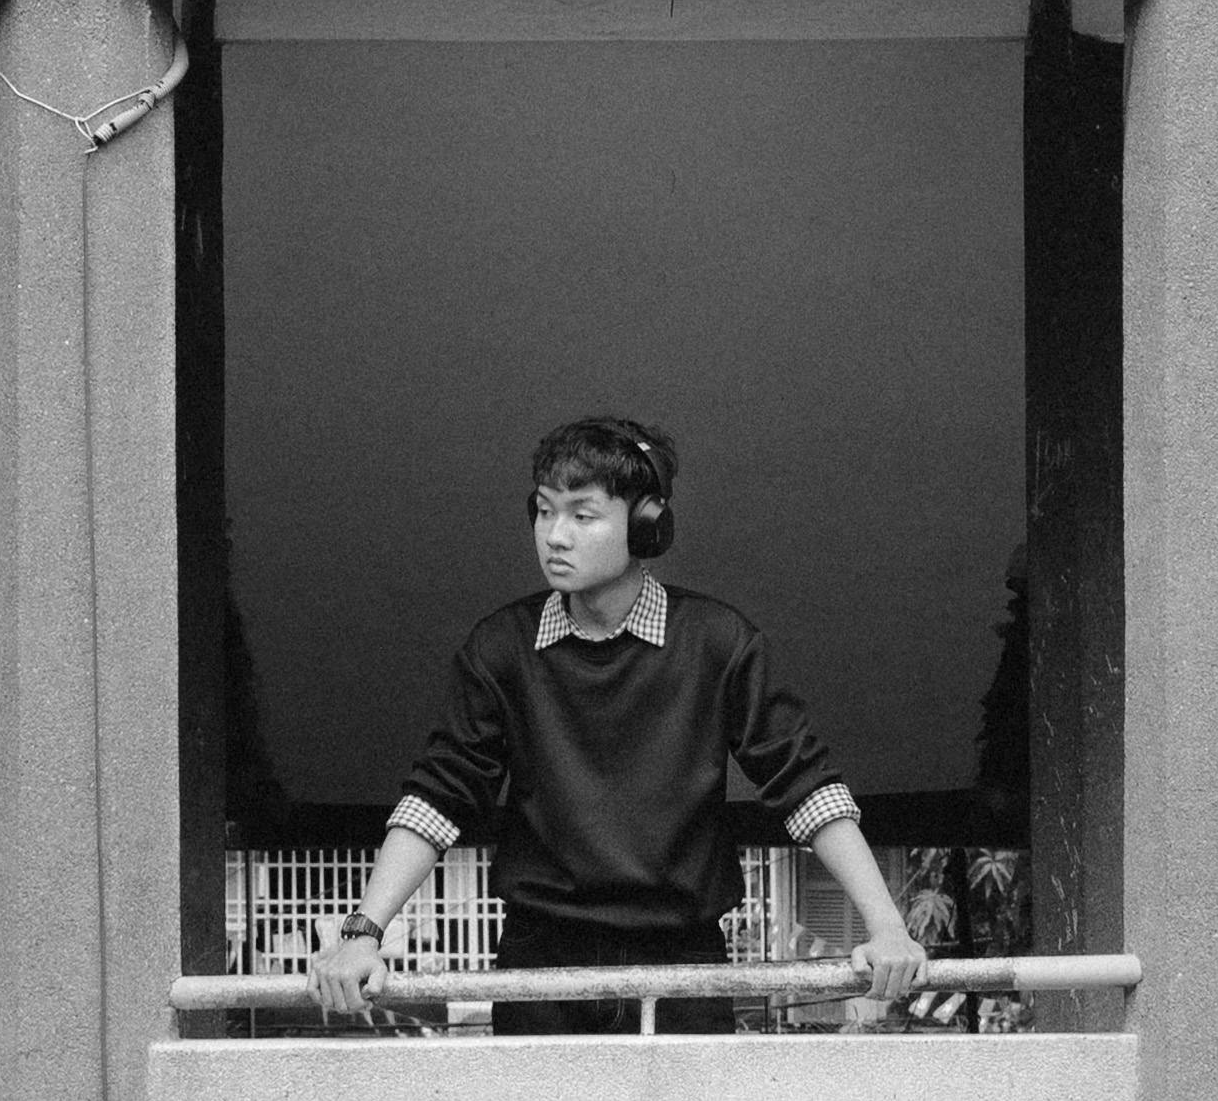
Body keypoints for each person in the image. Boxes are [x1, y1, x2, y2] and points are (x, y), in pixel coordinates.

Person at [310, 416, 930, 1034]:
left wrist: (888, 928)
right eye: (545, 511)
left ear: (646, 526)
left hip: (685, 967)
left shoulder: (718, 643)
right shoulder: (501, 648)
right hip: (540, 969)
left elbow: (806, 786)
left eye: (582, 515)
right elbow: (439, 796)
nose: (555, 535)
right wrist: (362, 934)